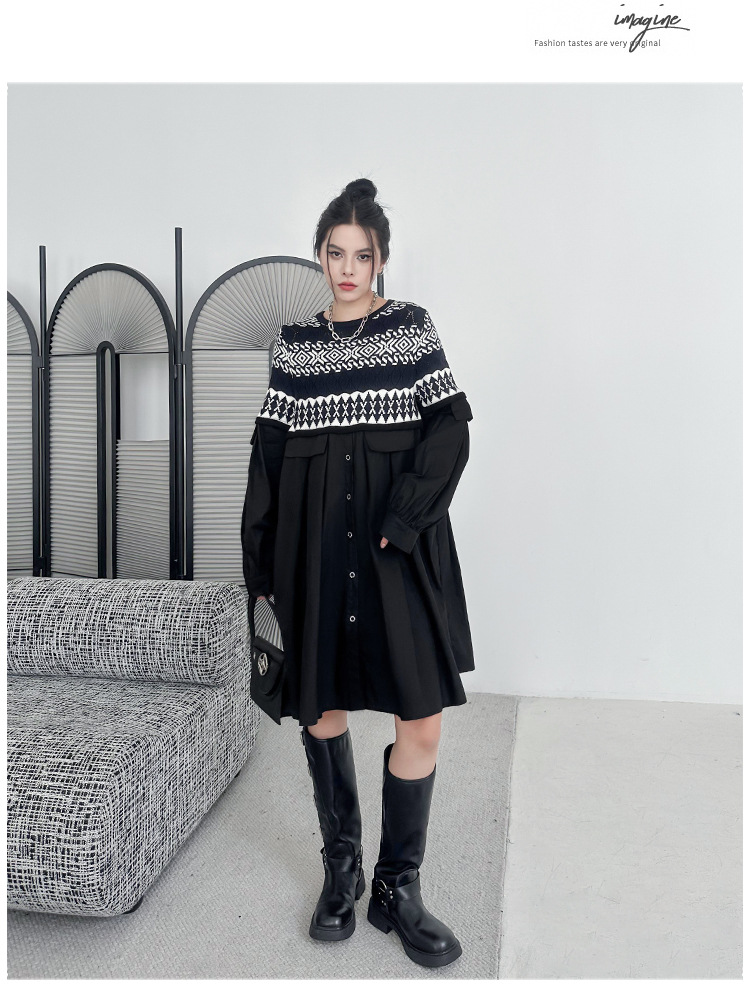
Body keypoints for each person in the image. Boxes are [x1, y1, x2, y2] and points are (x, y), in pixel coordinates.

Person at [240, 177, 475, 969]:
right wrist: (262, 571)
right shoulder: (295, 347)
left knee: (422, 722)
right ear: (319, 255)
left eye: (362, 256)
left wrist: (404, 519)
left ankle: (396, 889)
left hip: (394, 556)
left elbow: (450, 433)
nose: (348, 269)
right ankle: (342, 871)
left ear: (380, 260)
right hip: (313, 559)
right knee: (323, 708)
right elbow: (269, 463)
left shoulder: (410, 330)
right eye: (335, 254)